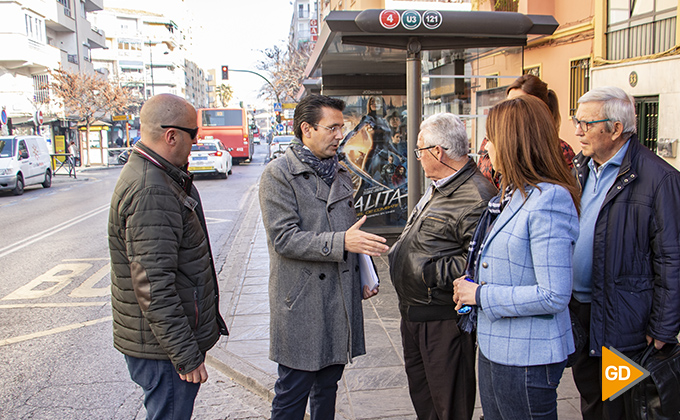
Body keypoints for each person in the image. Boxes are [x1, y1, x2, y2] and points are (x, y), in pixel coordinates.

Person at [259, 94, 389, 420]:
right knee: (292, 395)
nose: (339, 135)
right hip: (302, 302)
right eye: (332, 128)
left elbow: (350, 231)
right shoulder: (278, 175)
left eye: (341, 128)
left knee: (328, 389)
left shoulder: (341, 172)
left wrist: (365, 274)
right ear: (307, 129)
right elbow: (284, 239)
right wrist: (343, 241)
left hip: (339, 298)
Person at [453, 95, 580, 420]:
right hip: (498, 345)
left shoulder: (549, 201)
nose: (486, 149)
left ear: (513, 143)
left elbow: (553, 294)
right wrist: (472, 283)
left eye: (491, 140)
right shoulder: (509, 196)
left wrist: (480, 294)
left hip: (528, 355)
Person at [108, 94, 229, 420]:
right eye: (194, 134)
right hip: (163, 351)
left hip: (160, 345)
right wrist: (185, 355)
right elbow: (153, 286)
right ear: (171, 135)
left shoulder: (160, 175)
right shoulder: (152, 189)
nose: (196, 142)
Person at [568, 86, 680, 420]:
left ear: (616, 129)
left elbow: (672, 258)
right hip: (581, 313)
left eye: (587, 124)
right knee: (591, 400)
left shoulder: (659, 179)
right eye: (577, 121)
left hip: (625, 323)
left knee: (621, 406)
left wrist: (662, 328)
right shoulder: (582, 168)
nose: (578, 130)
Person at [388, 113, 497, 420]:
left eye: (420, 150)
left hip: (443, 320)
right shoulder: (440, 184)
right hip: (415, 313)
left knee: (449, 406)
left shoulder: (476, 195)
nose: (418, 158)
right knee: (426, 403)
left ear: (438, 152)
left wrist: (426, 268)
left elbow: (481, 261)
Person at [477, 74, 576, 187]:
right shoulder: (491, 141)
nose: (509, 108)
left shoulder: (558, 149)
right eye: (508, 101)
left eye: (517, 103)